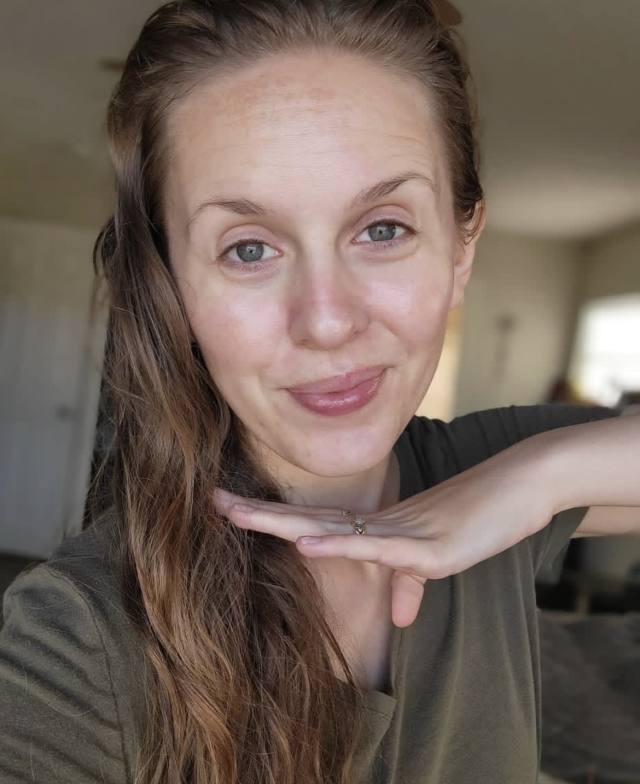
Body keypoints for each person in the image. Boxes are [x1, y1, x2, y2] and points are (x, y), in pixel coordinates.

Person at [1, 2, 639, 783]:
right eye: (249, 248)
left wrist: (540, 478)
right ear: (174, 288)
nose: (329, 321)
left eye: (383, 229)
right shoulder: (77, 637)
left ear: (460, 251)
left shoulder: (488, 476)